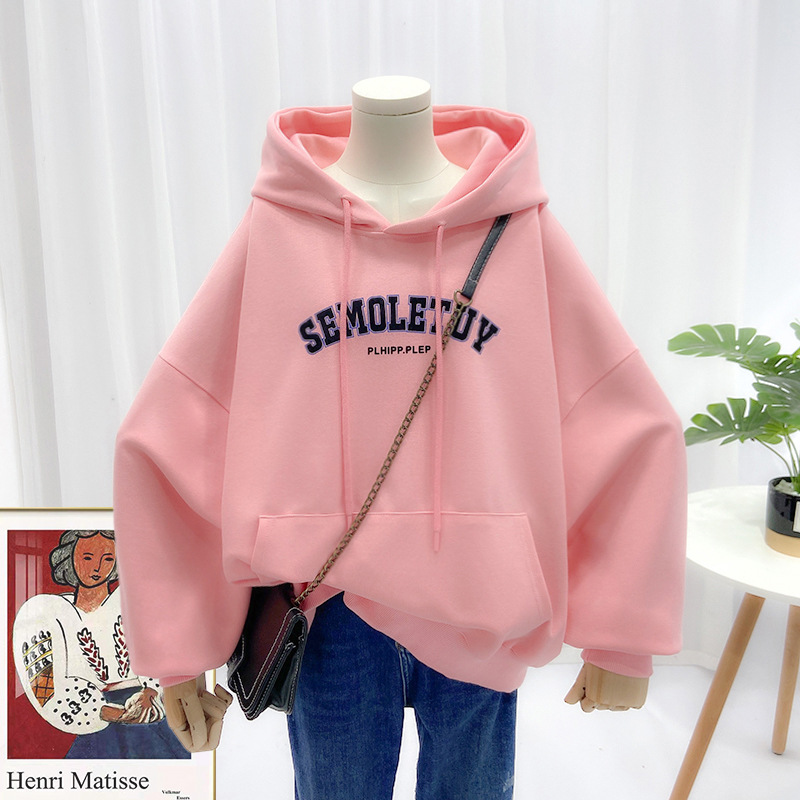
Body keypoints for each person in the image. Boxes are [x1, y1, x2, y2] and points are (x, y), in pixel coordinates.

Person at [114, 77, 686, 797]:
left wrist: (622, 637)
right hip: (330, 609)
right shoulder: (280, 228)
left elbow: (622, 420)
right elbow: (175, 429)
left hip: (480, 596)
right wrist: (178, 651)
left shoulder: (513, 227)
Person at [12, 529, 189, 759]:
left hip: (149, 713)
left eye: (107, 559)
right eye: (87, 557)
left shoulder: (135, 600)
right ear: (69, 556)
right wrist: (112, 713)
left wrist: (150, 692)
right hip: (97, 723)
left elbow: (166, 652)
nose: (97, 568)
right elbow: (47, 691)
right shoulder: (45, 612)